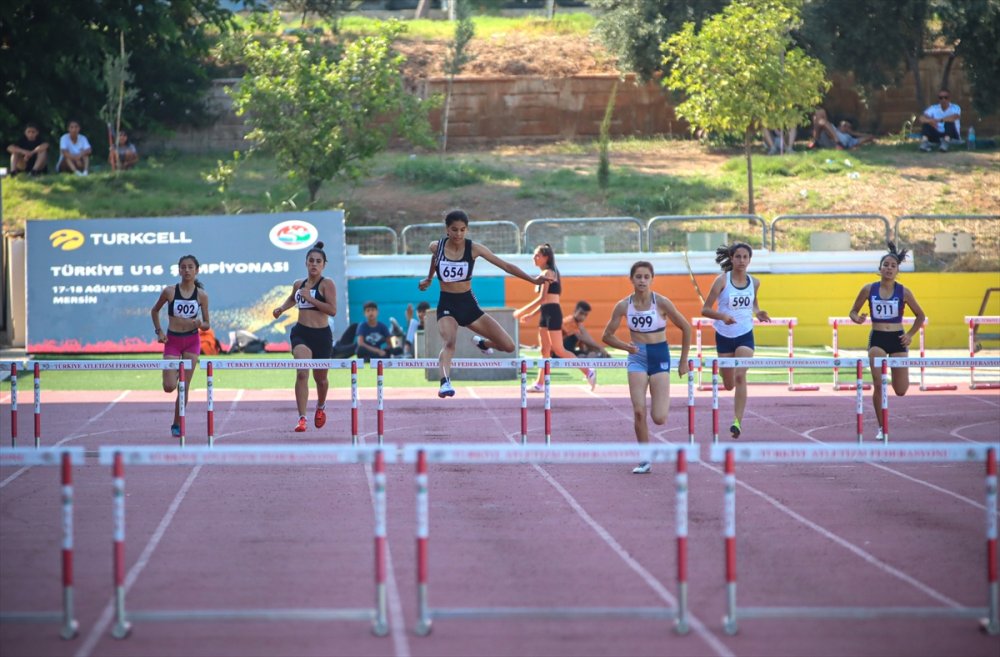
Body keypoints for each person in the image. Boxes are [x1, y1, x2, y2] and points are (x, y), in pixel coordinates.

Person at [418, 209, 553, 398]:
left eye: (462, 230)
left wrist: (533, 280)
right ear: (447, 229)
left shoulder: (475, 249)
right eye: (454, 230)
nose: (458, 234)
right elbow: (436, 259)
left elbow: (506, 266)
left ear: (467, 230)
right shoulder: (436, 247)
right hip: (447, 303)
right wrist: (429, 278)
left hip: (468, 305)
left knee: (508, 346)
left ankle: (483, 343)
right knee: (449, 342)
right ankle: (445, 382)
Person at [602, 261, 691, 474]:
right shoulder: (623, 306)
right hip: (637, 358)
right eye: (638, 277)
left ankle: (660, 402)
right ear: (631, 279)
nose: (642, 281)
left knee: (659, 418)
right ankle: (645, 459)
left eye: (646, 277)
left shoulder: (662, 302)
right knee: (639, 411)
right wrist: (626, 347)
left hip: (659, 356)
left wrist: (683, 360)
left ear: (652, 279)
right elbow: (607, 336)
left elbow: (686, 327)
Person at [848, 242, 926, 441]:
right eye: (886, 265)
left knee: (901, 390)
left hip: (898, 339)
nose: (889, 268)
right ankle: (882, 427)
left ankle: (894, 378)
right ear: (880, 268)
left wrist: (910, 334)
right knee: (879, 384)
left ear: (897, 270)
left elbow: (920, 316)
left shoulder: (904, 292)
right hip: (878, 339)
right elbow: (853, 311)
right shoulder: (869, 289)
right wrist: (857, 318)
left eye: (893, 266)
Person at [700, 242, 771, 440]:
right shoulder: (722, 281)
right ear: (731, 258)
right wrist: (722, 316)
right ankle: (727, 378)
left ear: (749, 260)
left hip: (745, 334)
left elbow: (753, 302)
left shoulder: (754, 282)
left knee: (740, 376)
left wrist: (758, 312)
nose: (741, 261)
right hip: (724, 336)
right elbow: (705, 309)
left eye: (745, 257)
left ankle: (737, 422)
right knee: (729, 384)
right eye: (738, 257)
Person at [272, 242, 338, 432]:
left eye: (318, 261)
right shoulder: (299, 284)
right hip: (301, 333)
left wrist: (311, 299)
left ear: (324, 265)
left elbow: (332, 310)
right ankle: (302, 418)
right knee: (302, 373)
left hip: (322, 336)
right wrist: (281, 309)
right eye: (311, 261)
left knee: (321, 379)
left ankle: (321, 406)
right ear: (306, 263)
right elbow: (293, 298)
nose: (314, 264)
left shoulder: (327, 284)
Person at [514, 244, 596, 391]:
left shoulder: (549, 273)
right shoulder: (545, 273)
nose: (534, 258)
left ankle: (588, 371)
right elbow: (545, 302)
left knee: (559, 349)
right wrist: (531, 315)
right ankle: (540, 384)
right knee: (544, 350)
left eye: (537, 255)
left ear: (546, 257)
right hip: (545, 313)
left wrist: (521, 311)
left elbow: (542, 298)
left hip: (553, 314)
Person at [150, 255, 211, 438]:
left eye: (190, 267)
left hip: (192, 342)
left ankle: (177, 423)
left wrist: (199, 324)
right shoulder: (169, 292)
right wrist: (159, 332)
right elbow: (154, 310)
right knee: (169, 386)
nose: (187, 270)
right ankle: (174, 372)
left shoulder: (201, 295)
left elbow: (207, 324)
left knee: (184, 386)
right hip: (173, 341)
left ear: (196, 270)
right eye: (183, 267)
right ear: (179, 270)